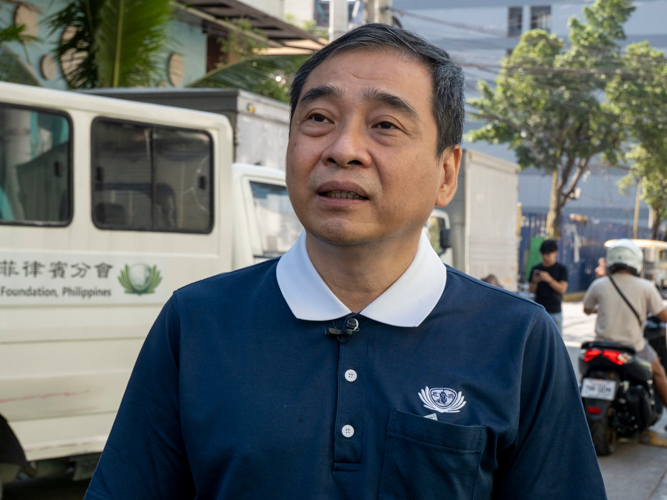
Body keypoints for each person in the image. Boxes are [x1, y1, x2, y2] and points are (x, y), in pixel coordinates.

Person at [85, 24, 605, 499]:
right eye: (318, 119)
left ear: (447, 173)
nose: (343, 149)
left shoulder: (517, 339)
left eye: (384, 124)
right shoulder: (197, 322)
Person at [583, 239, 667, 406]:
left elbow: (586, 309)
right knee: (659, 374)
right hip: (633, 348)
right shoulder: (646, 287)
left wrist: (598, 309)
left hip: (600, 346)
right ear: (636, 261)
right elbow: (664, 316)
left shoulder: (598, 284)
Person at [529, 239, 569, 333]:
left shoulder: (561, 269)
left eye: (548, 254)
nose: (545, 257)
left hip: (555, 310)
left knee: (556, 340)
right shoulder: (536, 268)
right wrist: (535, 281)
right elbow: (531, 290)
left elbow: (562, 289)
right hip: (539, 310)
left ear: (555, 253)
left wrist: (549, 279)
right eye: (543, 254)